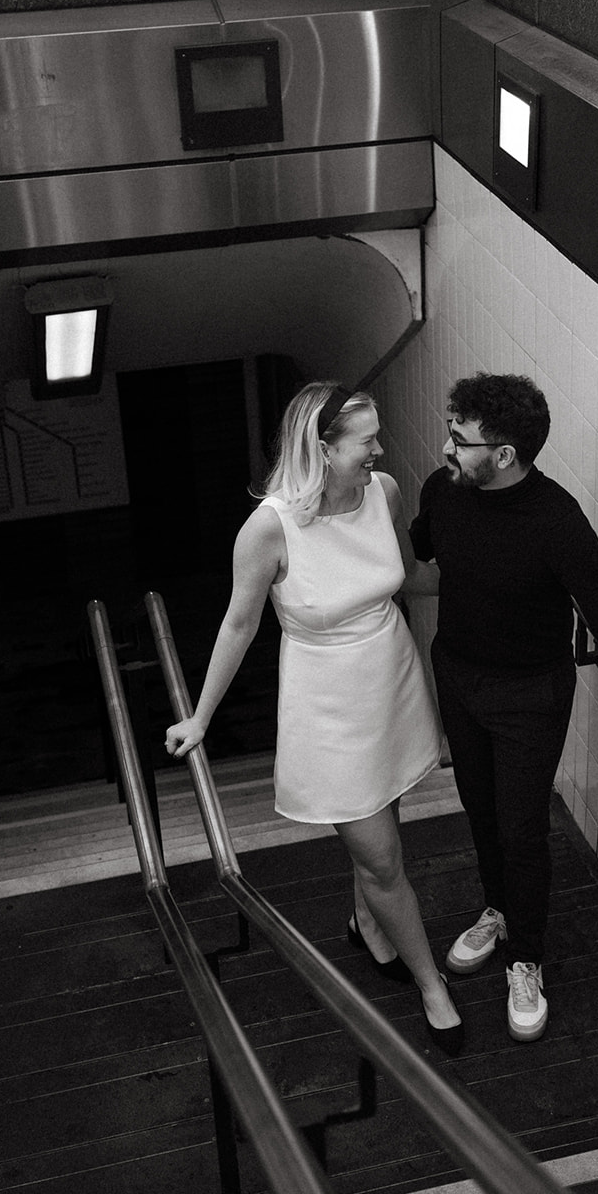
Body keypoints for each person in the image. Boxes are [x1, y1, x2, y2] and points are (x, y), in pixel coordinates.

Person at [408, 372, 598, 1044]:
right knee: (479, 807)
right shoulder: (445, 491)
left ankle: (526, 959)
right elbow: (420, 551)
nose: (445, 448)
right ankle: (496, 912)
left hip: (528, 694)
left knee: (521, 829)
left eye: (459, 440)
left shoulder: (556, 523)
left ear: (505, 455)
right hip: (458, 675)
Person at [165, 382, 463, 1054]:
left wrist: (493, 561)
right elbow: (239, 622)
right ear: (322, 449)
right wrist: (200, 716)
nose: (380, 449)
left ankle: (366, 919)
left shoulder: (382, 492)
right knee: (382, 855)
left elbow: (412, 577)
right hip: (326, 706)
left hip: (391, 680)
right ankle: (429, 985)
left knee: (383, 823)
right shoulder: (268, 527)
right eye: (366, 440)